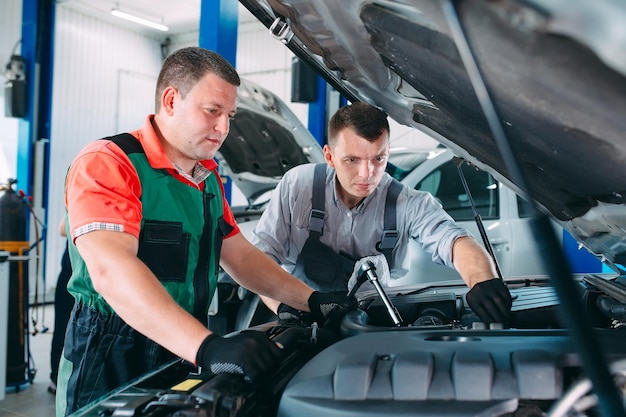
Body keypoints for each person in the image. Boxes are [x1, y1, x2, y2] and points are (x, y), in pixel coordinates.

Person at [56, 47, 355, 416]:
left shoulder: (207, 178)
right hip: (110, 353)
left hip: (180, 343)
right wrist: (208, 347)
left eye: (230, 115)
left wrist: (311, 300)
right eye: (213, 111)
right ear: (170, 100)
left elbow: (240, 256)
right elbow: (111, 271)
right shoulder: (109, 163)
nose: (224, 128)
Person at [251, 102, 512, 325]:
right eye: (352, 160)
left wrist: (482, 280)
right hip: (299, 314)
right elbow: (261, 258)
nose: (367, 174)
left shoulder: (406, 202)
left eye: (378, 159)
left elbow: (453, 240)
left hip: (369, 319)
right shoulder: (299, 186)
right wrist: (286, 308)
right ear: (329, 156)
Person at [48, 218, 74, 395]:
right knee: (64, 326)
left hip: (78, 274)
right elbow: (62, 229)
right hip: (71, 273)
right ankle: (56, 377)